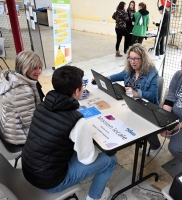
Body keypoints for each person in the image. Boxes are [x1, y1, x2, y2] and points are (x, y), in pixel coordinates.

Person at [21, 66, 117, 200]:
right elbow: (87, 159)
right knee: (110, 160)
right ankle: (94, 197)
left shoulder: (43, 106)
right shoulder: (76, 121)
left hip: (29, 169)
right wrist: (99, 149)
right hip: (49, 182)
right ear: (77, 91)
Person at [0, 50, 44, 145]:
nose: (39, 71)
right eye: (34, 68)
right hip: (18, 136)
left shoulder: (15, 78)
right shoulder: (22, 90)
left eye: (40, 68)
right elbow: (30, 122)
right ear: (23, 67)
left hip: (11, 130)